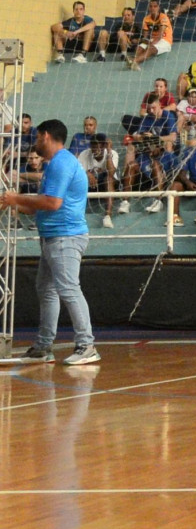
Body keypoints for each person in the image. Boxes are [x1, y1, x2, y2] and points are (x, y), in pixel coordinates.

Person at [3, 120, 100, 365]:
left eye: (36, 138)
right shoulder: (59, 163)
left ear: (45, 136)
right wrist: (17, 203)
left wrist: (16, 197)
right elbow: (44, 205)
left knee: (68, 289)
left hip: (65, 237)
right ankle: (44, 346)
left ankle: (86, 345)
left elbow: (52, 203)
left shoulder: (60, 164)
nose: (35, 143)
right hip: (54, 237)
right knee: (47, 290)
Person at [75, 120, 120, 229]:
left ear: (104, 146)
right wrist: (87, 173)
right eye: (93, 147)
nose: (95, 150)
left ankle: (107, 216)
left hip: (108, 185)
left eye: (98, 147)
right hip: (91, 186)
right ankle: (74, 215)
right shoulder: (84, 154)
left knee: (108, 178)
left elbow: (111, 172)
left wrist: (108, 152)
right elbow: (76, 173)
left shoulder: (113, 154)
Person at [127, 1, 172, 71]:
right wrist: (143, 42)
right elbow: (145, 37)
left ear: (158, 7)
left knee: (150, 48)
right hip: (153, 39)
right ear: (148, 8)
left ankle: (134, 61)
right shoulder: (146, 18)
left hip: (165, 40)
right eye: (150, 6)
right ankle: (135, 61)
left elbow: (160, 36)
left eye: (155, 6)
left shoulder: (164, 17)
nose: (152, 8)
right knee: (140, 47)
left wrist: (150, 44)